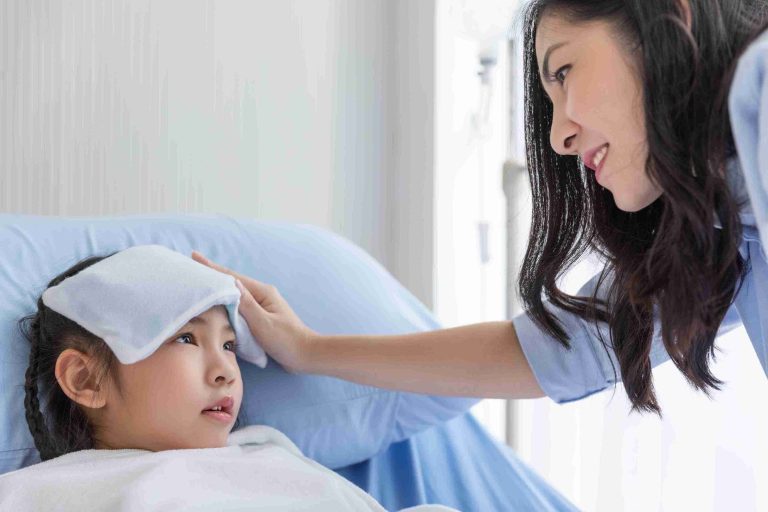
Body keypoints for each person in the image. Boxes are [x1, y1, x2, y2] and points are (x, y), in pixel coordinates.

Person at [193, 0, 768, 414]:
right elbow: (556, 350)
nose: (559, 139)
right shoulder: (723, 232)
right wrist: (308, 350)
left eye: (564, 72)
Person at [1, 247, 455, 512]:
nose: (225, 371)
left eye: (230, 345)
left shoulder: (268, 453)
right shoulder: (46, 494)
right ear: (86, 379)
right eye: (185, 338)